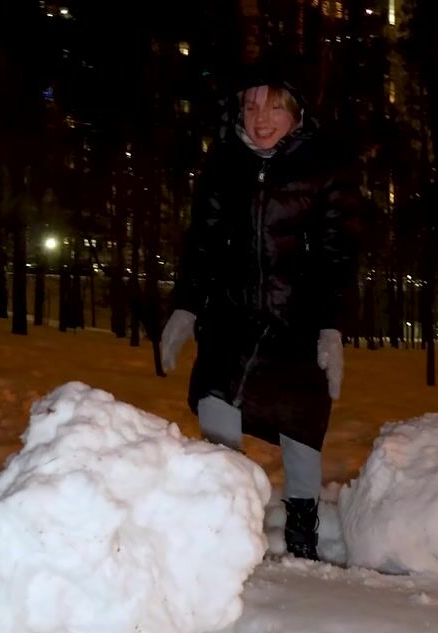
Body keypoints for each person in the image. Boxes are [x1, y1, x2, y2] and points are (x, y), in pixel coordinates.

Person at [161, 63, 360, 561]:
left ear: (296, 111)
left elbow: (339, 254)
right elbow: (203, 243)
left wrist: (332, 326)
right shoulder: (224, 162)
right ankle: (224, 519)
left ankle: (302, 533)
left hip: (298, 320)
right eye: (250, 106)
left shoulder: (326, 166)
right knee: (215, 399)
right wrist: (186, 306)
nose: (260, 118)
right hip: (231, 315)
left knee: (302, 427)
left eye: (274, 106)